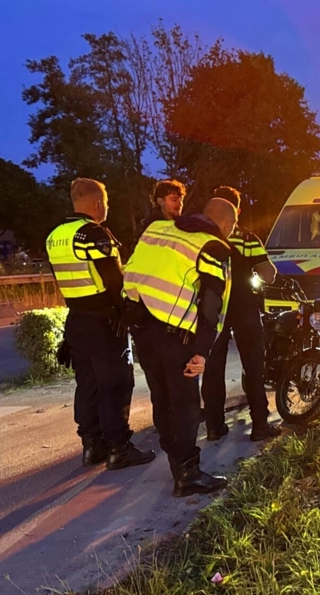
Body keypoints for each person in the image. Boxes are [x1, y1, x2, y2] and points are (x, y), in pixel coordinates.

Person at [123, 198, 235, 497]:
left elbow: (133, 271)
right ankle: (187, 473)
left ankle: (174, 458)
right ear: (227, 224)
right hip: (176, 335)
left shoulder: (157, 228)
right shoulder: (212, 246)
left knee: (161, 395)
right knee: (185, 403)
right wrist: (203, 350)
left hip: (142, 327)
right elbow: (213, 305)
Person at [45, 178, 155, 469]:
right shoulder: (93, 233)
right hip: (105, 322)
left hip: (77, 319)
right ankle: (120, 448)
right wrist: (128, 312)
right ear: (97, 203)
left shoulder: (55, 235)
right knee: (117, 383)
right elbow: (113, 280)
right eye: (106, 202)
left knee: (88, 384)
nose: (106, 207)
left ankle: (92, 446)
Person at [202, 186, 281, 441]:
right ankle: (260, 425)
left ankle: (214, 425)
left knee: (212, 368)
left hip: (211, 310)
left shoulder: (197, 238)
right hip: (244, 307)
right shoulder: (247, 238)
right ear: (237, 211)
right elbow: (268, 274)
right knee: (254, 366)